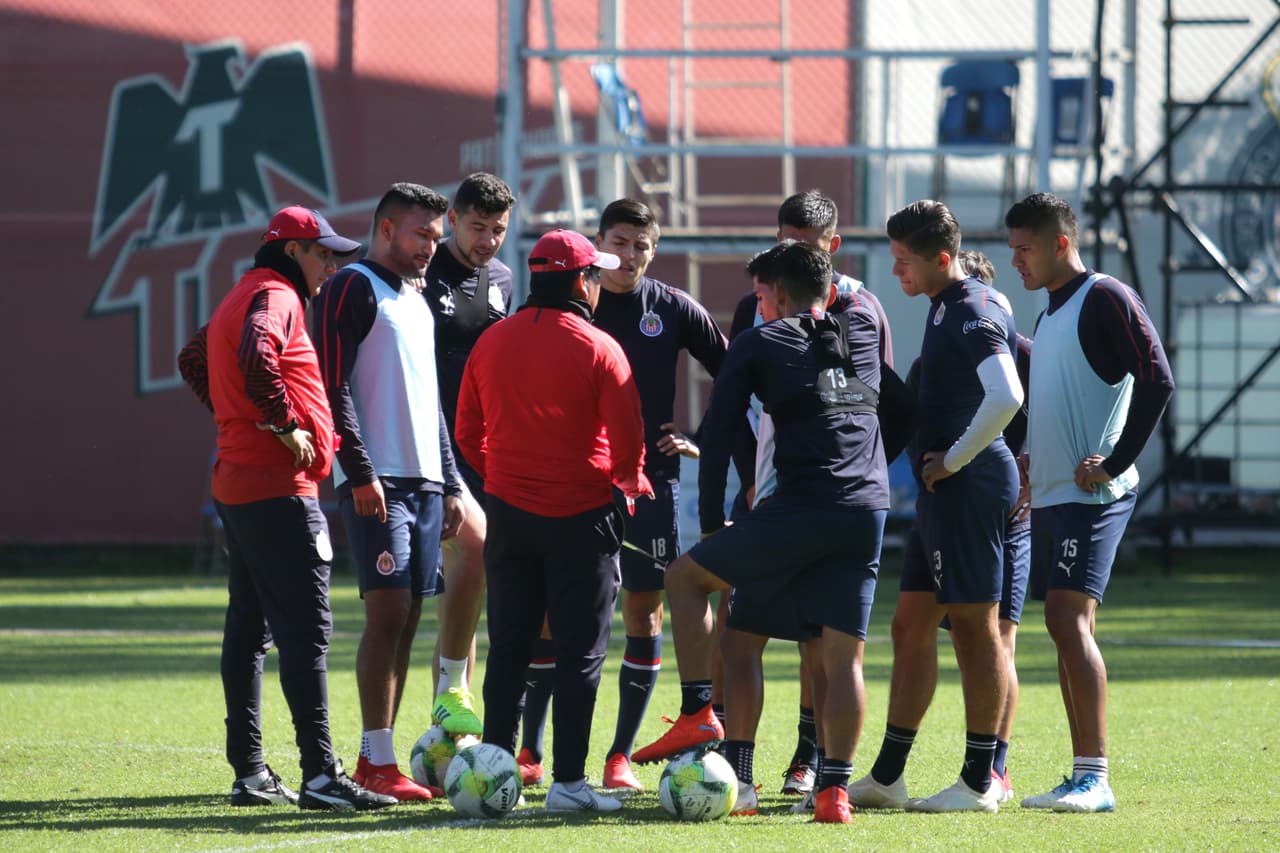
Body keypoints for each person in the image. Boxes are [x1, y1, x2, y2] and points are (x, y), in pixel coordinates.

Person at [631, 241, 890, 825]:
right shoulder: (862, 331)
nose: (756, 305)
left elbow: (719, 433)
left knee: (691, 586)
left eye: (759, 295)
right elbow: (894, 404)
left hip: (793, 509)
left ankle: (705, 722)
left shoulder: (758, 340)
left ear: (774, 295)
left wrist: (712, 523)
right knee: (840, 658)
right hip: (866, 509)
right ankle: (833, 793)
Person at [177, 206, 395, 811]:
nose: (330, 265)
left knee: (250, 630)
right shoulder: (276, 294)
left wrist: (240, 422)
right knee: (306, 632)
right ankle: (320, 775)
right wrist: (277, 423)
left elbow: (193, 358)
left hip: (243, 483)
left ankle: (250, 772)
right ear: (292, 250)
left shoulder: (245, 292)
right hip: (277, 488)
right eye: (322, 253)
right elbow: (255, 353)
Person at [513, 198, 727, 792]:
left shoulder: (673, 308)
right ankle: (530, 749)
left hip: (649, 483)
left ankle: (619, 757)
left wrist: (701, 437)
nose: (629, 255)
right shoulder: (571, 301)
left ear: (654, 251)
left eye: (641, 245)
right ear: (599, 246)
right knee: (553, 611)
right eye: (619, 243)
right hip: (575, 478)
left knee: (642, 608)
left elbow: (736, 371)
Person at [455, 229, 653, 813]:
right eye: (595, 275)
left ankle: (494, 772)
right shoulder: (599, 347)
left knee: (508, 645)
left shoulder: (491, 340)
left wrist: (505, 476)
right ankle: (568, 783)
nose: (599, 285)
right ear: (581, 283)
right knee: (580, 652)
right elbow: (628, 443)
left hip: (509, 514)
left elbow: (466, 431)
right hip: (582, 517)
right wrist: (626, 485)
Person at [717, 190, 899, 805]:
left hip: (819, 497)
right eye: (783, 241)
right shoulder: (757, 303)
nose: (788, 254)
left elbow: (879, 407)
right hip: (774, 490)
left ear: (832, 247)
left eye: (803, 245)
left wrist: (860, 468)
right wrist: (749, 478)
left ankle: (808, 760)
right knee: (748, 629)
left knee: (818, 645)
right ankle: (740, 762)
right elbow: (732, 402)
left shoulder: (862, 310)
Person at [848, 245, 1032, 812]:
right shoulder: (939, 324)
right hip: (940, 496)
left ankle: (984, 777)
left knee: (983, 631)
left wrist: (958, 459)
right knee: (910, 626)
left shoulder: (982, 317)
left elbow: (1016, 401)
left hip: (976, 494)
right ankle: (888, 776)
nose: (898, 269)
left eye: (906, 258)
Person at [1006, 192, 1173, 813]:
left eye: (1025, 249)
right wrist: (1030, 461)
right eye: (1013, 249)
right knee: (1064, 626)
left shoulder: (1105, 296)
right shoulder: (1050, 313)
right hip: (1053, 496)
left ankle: (1095, 778)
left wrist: (1116, 462)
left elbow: (1157, 379)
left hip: (1093, 497)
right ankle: (1081, 772)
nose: (1016, 261)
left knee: (1066, 619)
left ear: (1061, 244)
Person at [313, 183, 469, 803]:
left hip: (425, 481)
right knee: (386, 611)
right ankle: (375, 763)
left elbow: (431, 401)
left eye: (436, 236)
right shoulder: (353, 286)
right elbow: (331, 383)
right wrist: (359, 471)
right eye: (420, 234)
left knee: (408, 615)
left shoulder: (417, 298)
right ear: (385, 229)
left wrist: (450, 481)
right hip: (379, 481)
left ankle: (376, 758)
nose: (431, 246)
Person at [421, 172, 517, 702]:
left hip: (479, 449)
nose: (488, 240)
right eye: (478, 227)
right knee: (415, 593)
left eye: (498, 229)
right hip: (421, 448)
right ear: (452, 219)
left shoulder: (502, 279)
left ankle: (451, 712)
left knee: (469, 583)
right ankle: (439, 710)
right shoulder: (419, 270)